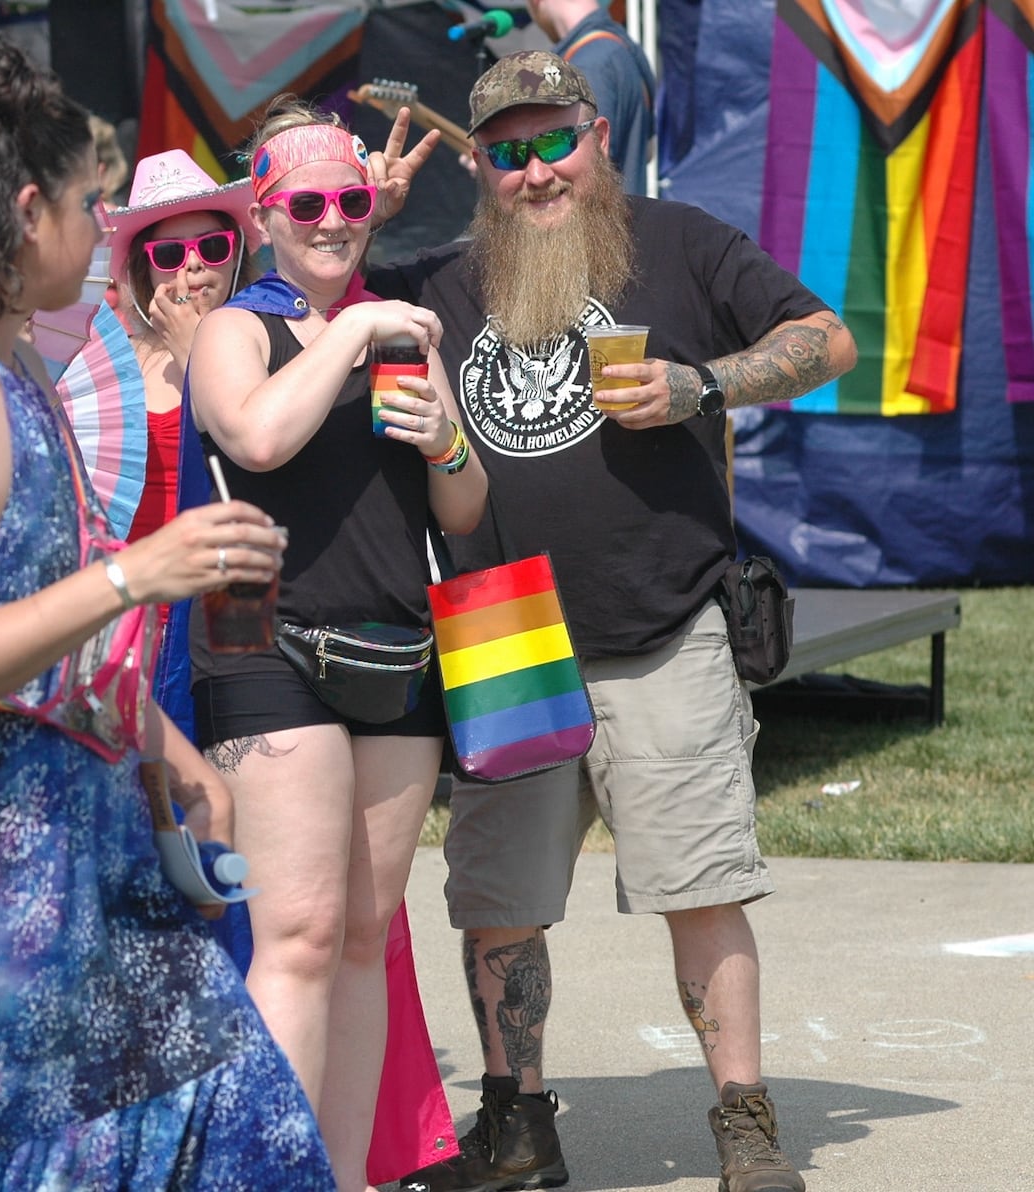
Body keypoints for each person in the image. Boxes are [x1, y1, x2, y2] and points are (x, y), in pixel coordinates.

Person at [0, 41, 334, 1190]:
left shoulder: (10, 368)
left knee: (244, 1133)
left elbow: (29, 626)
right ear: (21, 210)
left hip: (77, 853)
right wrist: (132, 576)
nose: (103, 224)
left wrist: (162, 748)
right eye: (86, 202)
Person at [367, 50, 857, 1192]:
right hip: (503, 630)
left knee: (702, 882)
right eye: (505, 151)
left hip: (664, 618)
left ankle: (744, 1121)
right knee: (496, 903)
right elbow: (311, 295)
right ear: (481, 167)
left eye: (552, 143)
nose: (533, 171)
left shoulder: (680, 243)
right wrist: (374, 218)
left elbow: (823, 338)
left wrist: (702, 386)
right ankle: (518, 1124)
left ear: (594, 136)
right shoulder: (440, 279)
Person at [186, 101, 489, 1191]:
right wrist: (355, 333)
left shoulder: (402, 326)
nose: (330, 220)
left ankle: (350, 1172)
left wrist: (447, 437)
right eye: (305, 203)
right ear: (263, 216)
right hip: (267, 643)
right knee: (301, 934)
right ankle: (274, 1173)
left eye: (349, 202)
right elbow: (256, 433)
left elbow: (459, 510)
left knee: (366, 933)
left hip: (394, 646)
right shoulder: (238, 326)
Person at [104, 148, 262, 735]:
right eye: (170, 254)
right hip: (132, 614)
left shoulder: (267, 342)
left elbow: (254, 458)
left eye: (212, 248)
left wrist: (196, 353)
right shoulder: (108, 363)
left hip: (231, 612)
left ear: (236, 253)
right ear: (144, 271)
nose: (192, 267)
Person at [526, 0, 655, 196]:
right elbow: (647, 152)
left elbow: (586, 177)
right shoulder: (625, 49)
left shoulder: (588, 66)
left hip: (596, 223)